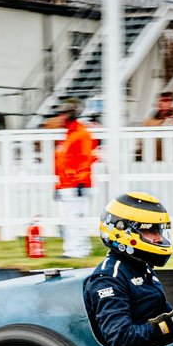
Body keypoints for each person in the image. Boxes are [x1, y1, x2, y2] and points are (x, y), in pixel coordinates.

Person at [83, 192, 173, 346]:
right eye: (150, 230)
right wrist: (168, 325)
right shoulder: (108, 278)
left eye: (158, 230)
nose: (158, 238)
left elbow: (164, 314)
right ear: (123, 232)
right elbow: (121, 339)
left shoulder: (142, 268)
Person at [53, 102, 97, 259]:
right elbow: (62, 163)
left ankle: (79, 251)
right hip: (67, 185)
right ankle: (72, 250)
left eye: (61, 114)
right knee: (68, 220)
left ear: (69, 115)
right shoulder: (69, 135)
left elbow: (86, 159)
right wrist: (58, 186)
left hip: (76, 185)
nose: (58, 117)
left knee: (75, 220)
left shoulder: (81, 134)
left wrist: (81, 181)